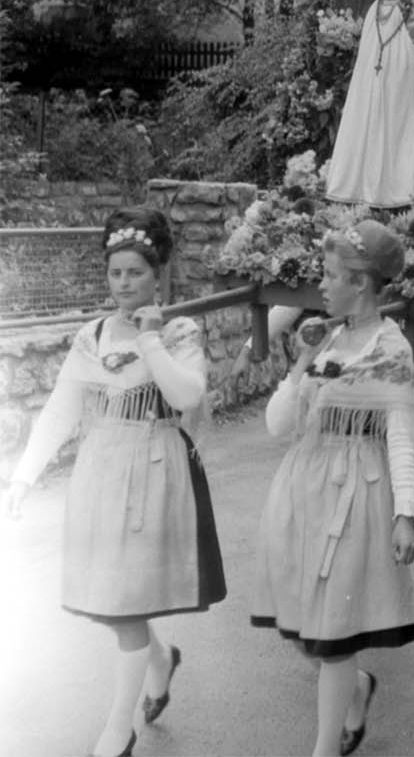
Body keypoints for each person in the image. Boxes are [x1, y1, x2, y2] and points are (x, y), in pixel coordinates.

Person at [5, 208, 226, 757]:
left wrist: (151, 340)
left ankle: (118, 726)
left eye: (135, 273)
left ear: (159, 277)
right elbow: (58, 412)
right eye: (115, 273)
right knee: (114, 596)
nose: (123, 284)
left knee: (125, 601)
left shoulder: (178, 332)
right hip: (100, 473)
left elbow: (187, 396)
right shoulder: (91, 336)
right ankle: (159, 659)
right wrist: (23, 479)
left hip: (154, 472)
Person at [252, 221, 414, 757]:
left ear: (361, 282)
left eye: (331, 276)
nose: (322, 286)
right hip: (302, 493)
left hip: (356, 498)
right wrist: (300, 365)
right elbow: (276, 426)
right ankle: (356, 688)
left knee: (332, 636)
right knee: (303, 624)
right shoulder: (323, 336)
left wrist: (407, 514)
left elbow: (403, 435)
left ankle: (323, 748)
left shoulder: (390, 348)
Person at [325, 0, 414, 207]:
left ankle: (399, 189)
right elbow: (367, 46)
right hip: (374, 80)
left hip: (401, 84)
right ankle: (358, 188)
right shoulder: (374, 8)